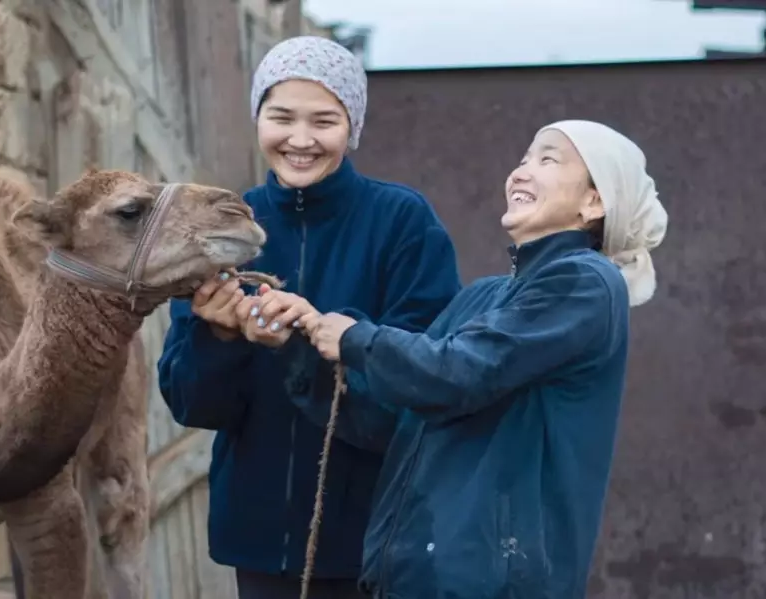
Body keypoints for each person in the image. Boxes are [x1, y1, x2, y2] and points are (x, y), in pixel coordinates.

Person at [257, 120, 668, 598]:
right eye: (522, 159)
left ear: (593, 203)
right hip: (415, 580)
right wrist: (297, 347)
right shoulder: (484, 296)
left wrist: (355, 339)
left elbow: (459, 372)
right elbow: (392, 417)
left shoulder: (586, 283)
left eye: (547, 159)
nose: (520, 172)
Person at [156, 36, 461, 598]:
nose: (300, 140)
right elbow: (190, 404)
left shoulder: (402, 223)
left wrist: (312, 340)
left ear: (353, 127)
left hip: (374, 537)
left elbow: (423, 387)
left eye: (324, 120)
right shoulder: (222, 232)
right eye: (281, 117)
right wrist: (218, 337)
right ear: (258, 119)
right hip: (257, 537)